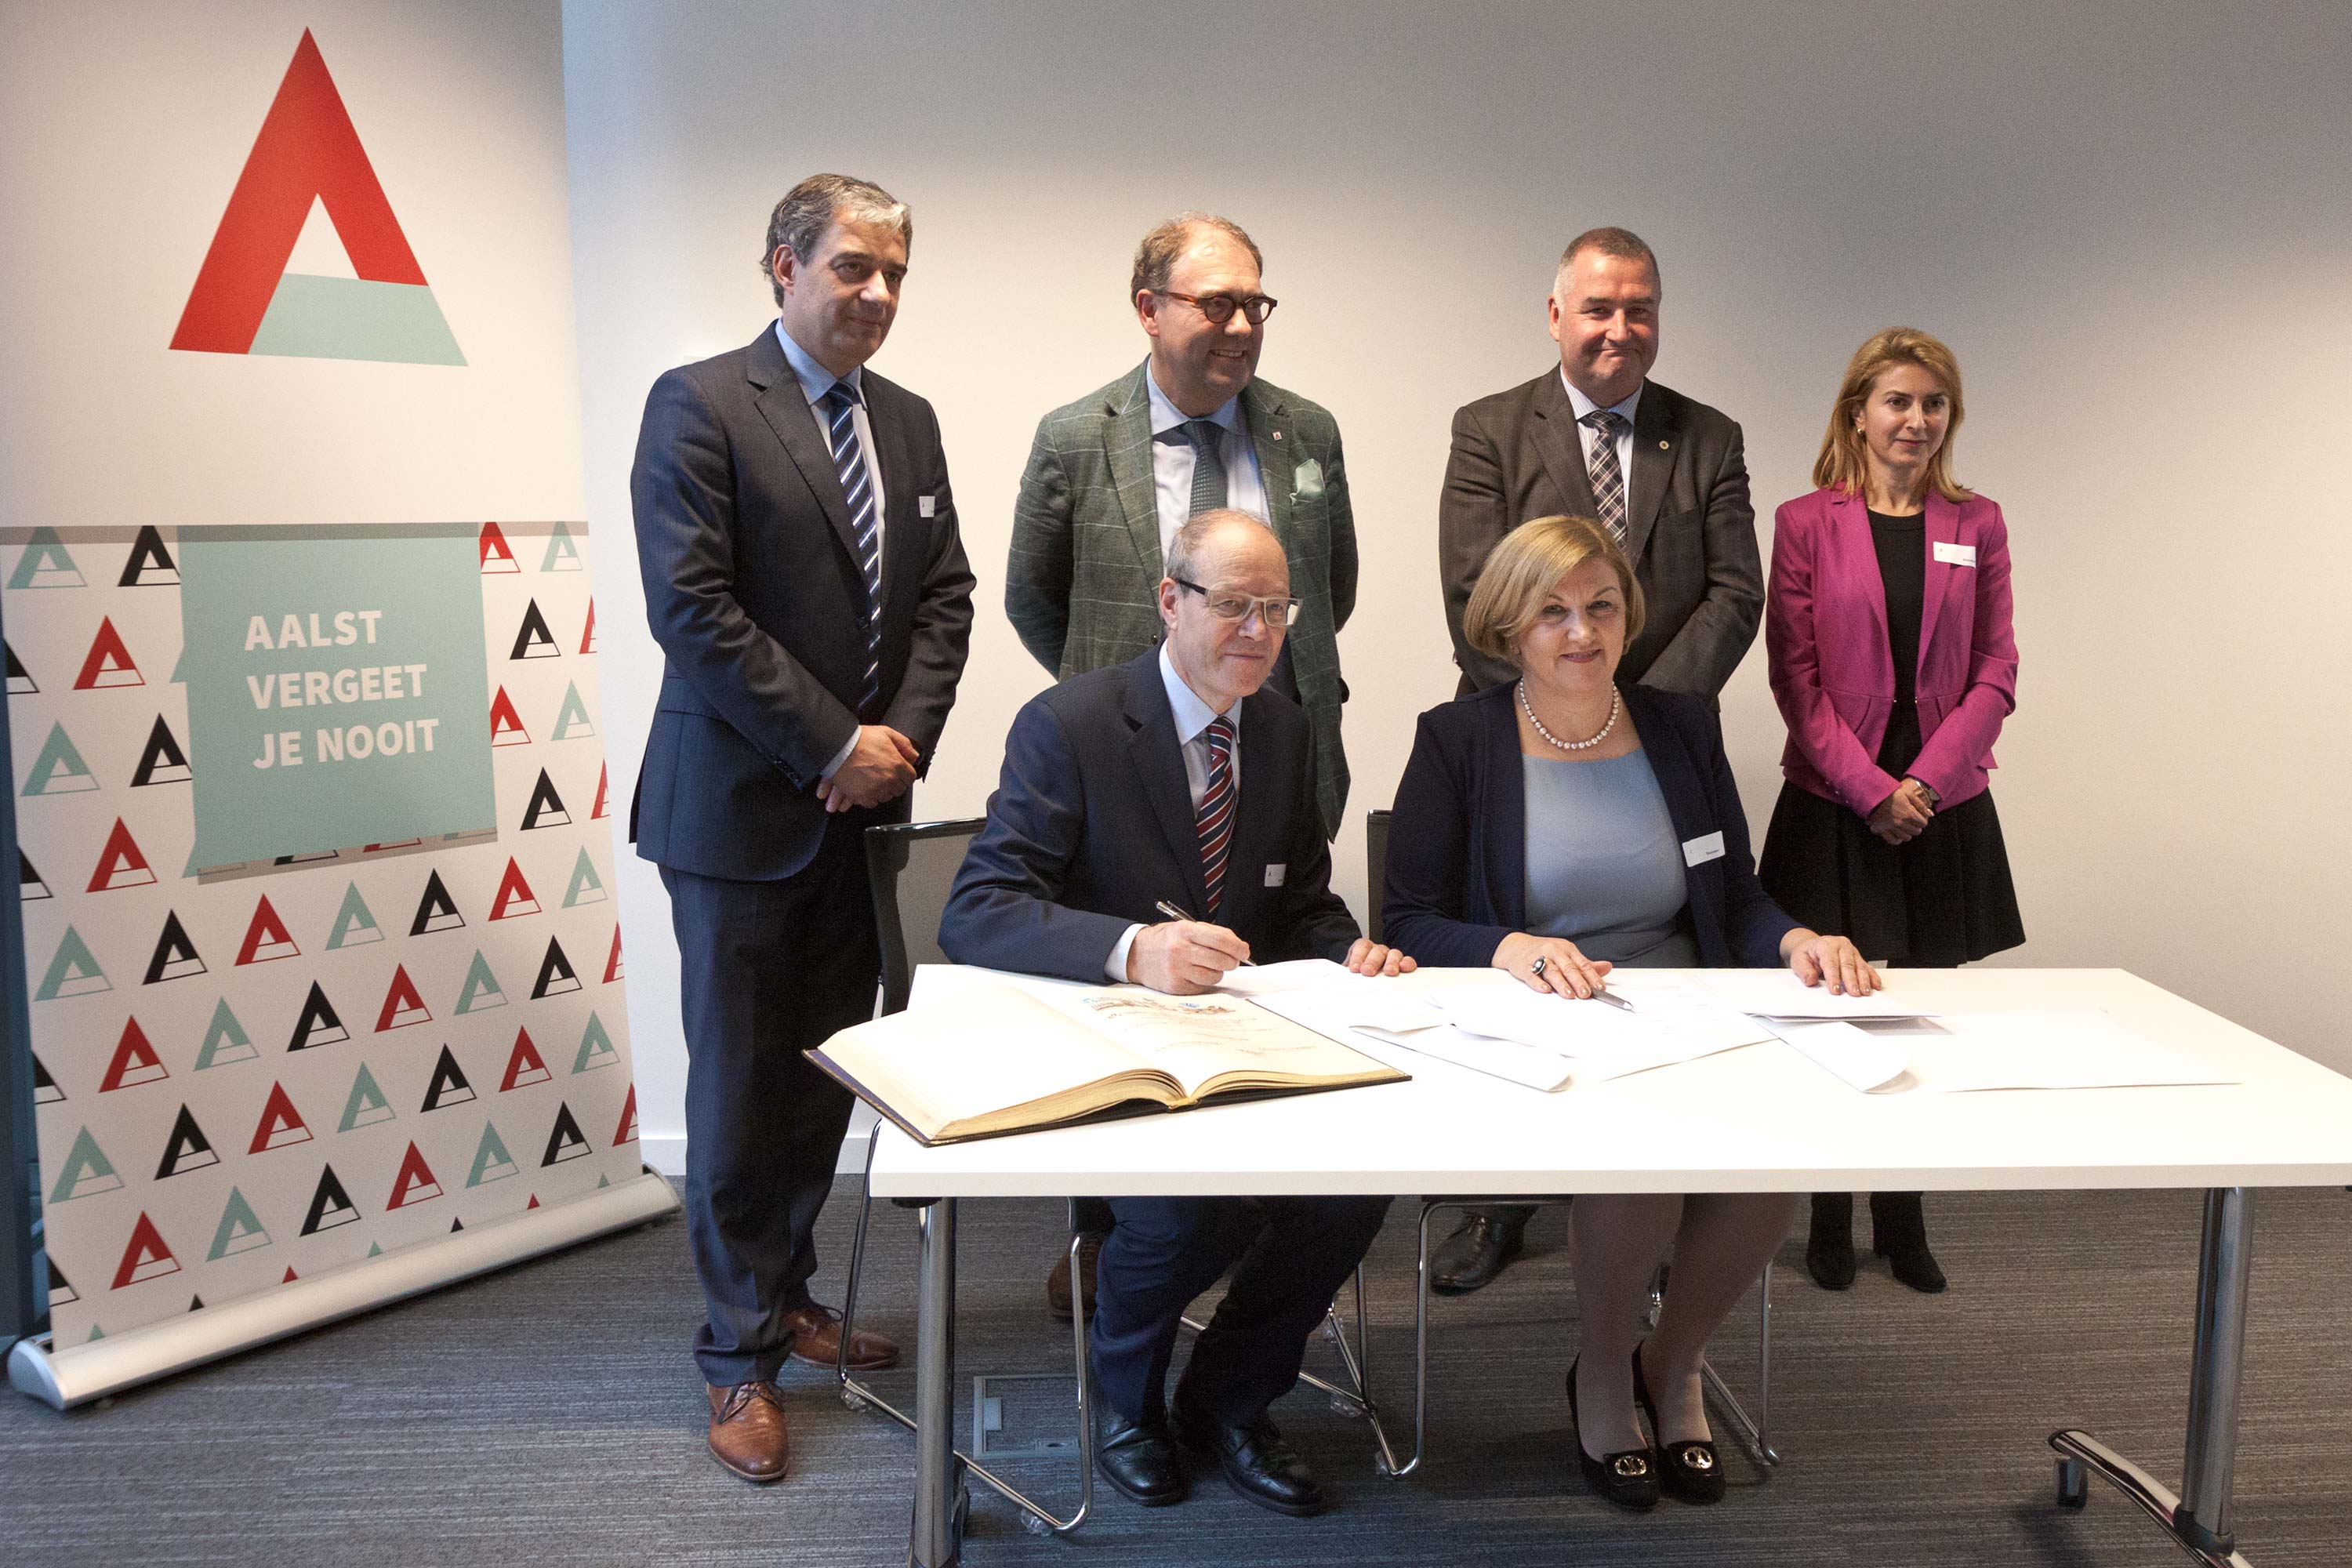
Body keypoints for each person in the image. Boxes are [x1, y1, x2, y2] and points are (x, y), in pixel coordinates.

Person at [1383, 515, 1874, 1510]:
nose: (1582, 631)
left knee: (1774, 1163)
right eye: (1553, 611)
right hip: (1546, 1024)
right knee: (1641, 1159)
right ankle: (1604, 1370)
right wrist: (1508, 945)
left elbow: (1735, 894)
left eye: (1601, 606)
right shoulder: (1458, 739)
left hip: (1689, 1011)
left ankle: (1673, 1360)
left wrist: (1795, 939)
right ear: (1508, 626)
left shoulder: (1681, 726)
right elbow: (1406, 918)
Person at [941, 511, 1409, 1519]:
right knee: (1195, 1207)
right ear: (1170, 600)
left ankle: (1228, 1396)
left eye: (1277, 608)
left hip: (1238, 1043)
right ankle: (1125, 1401)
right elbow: (976, 909)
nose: (1259, 630)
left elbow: (1301, 901)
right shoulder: (1069, 724)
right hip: (1109, 1044)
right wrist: (1132, 947)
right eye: (1234, 603)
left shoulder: (1282, 728)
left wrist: (1350, 949)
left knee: (1357, 1187)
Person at [630, 173, 975, 1484]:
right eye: (851, 268)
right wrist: (833, 743)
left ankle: (785, 1296)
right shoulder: (701, 404)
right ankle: (736, 1356)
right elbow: (693, 609)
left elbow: (945, 599)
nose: (876, 294)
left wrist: (895, 751)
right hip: (738, 816)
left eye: (894, 274)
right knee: (738, 1091)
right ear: (783, 265)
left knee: (830, 1073)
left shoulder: (909, 419)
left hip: (862, 821)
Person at [1005, 211, 1362, 1319]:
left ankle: (1245, 1209)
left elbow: (1329, 589)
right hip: (1126, 767)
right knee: (1131, 994)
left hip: (1267, 750)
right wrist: (1132, 708)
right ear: (1148, 308)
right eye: (1216, 303)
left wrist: (1246, 676)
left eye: (1255, 302)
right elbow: (1034, 597)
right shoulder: (1078, 436)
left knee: (1259, 969)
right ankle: (1118, 1237)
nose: (1241, 325)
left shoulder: (1306, 431)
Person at [1431, 226, 1764, 1294]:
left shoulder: (1706, 435)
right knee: (1514, 939)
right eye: (1599, 308)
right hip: (1518, 732)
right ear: (1556, 315)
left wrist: (1640, 713)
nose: (1621, 328)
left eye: (1640, 309)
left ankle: (1651, 1223)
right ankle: (1499, 1203)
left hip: (1656, 736)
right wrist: (1564, 691)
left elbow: (1736, 590)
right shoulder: (1490, 428)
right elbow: (1473, 588)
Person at [1758, 328, 2024, 1294]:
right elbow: (1794, 675)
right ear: (1859, 412)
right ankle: (1830, 1217)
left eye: (1934, 403)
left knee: (1918, 1017)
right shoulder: (1806, 521)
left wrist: (1928, 783)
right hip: (1837, 799)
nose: (1917, 419)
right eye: (1899, 401)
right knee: (1835, 1011)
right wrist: (1872, 789)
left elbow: (1997, 666)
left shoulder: (1978, 520)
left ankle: (1904, 1220)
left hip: (1942, 802)